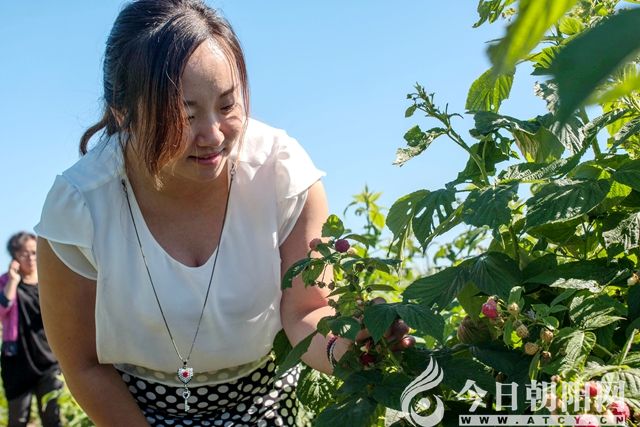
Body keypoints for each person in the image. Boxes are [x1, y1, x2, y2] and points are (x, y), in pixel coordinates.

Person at [35, 1, 410, 425]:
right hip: (134, 410)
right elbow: (83, 364)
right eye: (184, 114)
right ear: (125, 113)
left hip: (262, 401)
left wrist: (351, 347)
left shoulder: (280, 174)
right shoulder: (82, 205)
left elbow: (305, 312)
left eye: (228, 105)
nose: (213, 135)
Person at [0, 232, 62, 427]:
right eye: (24, 254)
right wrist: (13, 281)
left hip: (49, 360)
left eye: (34, 252)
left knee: (52, 418)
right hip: (17, 362)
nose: (31, 258)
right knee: (18, 419)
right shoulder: (5, 282)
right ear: (14, 257)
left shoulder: (48, 279)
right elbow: (2, 310)